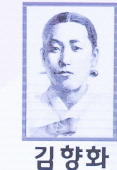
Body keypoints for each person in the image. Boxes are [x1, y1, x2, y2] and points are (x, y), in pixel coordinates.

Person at [29, 9, 110, 138]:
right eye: (55, 49)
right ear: (43, 57)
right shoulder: (25, 110)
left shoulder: (111, 111)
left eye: (76, 48)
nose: (65, 60)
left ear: (94, 56)